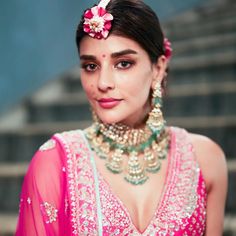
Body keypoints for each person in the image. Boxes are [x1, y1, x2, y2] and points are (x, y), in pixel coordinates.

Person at [15, 0, 227, 235]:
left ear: (158, 69)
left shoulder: (204, 159)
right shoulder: (55, 162)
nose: (103, 83)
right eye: (91, 66)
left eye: (123, 63)